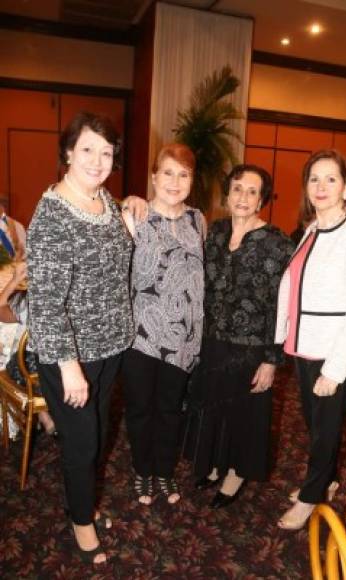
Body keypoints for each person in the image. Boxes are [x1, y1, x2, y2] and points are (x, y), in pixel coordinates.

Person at [27, 112, 134, 565]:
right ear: (68, 152)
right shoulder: (52, 213)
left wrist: (133, 207)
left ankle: (84, 502)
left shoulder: (104, 200)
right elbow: (47, 303)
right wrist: (68, 366)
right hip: (70, 353)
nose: (97, 159)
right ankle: (81, 520)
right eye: (88, 149)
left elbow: (117, 248)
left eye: (107, 152)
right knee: (82, 441)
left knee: (100, 431)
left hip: (110, 344)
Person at [275, 149, 346, 530]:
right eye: (314, 179)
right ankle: (329, 479)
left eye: (330, 179)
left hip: (335, 351)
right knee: (317, 424)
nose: (321, 187)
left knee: (324, 429)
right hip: (305, 346)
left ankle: (311, 496)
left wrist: (336, 370)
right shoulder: (312, 228)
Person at [182, 164, 294, 509]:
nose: (242, 197)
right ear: (226, 194)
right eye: (237, 189)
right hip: (213, 339)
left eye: (251, 191)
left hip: (251, 348)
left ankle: (236, 472)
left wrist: (271, 360)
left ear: (262, 199)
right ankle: (215, 463)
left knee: (244, 414)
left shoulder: (277, 243)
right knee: (214, 405)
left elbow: (282, 306)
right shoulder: (214, 232)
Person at [121, 143, 205, 506]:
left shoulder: (198, 220)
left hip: (184, 338)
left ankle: (164, 472)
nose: (175, 181)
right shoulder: (133, 214)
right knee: (140, 408)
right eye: (167, 172)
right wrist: (127, 201)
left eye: (183, 174)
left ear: (192, 180)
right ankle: (143, 470)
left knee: (172, 409)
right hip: (139, 336)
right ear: (154, 176)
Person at [0, 262, 55, 435]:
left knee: (16, 359)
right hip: (74, 367)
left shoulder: (27, 301)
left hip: (38, 374)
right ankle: (46, 415)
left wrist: (15, 280)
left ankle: (43, 415)